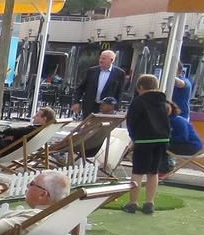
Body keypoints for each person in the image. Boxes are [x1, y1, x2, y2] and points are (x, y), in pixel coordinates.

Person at [124, 73, 171, 214]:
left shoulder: (139, 101)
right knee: (153, 172)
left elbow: (131, 121)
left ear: (140, 87)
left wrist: (134, 138)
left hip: (144, 140)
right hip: (162, 140)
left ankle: (132, 203)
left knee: (137, 171)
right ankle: (149, 202)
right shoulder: (164, 102)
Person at [73, 49, 127, 117]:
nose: (100, 60)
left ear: (111, 60)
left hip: (107, 109)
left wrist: (115, 108)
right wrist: (76, 102)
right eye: (100, 58)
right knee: (88, 127)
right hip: (89, 107)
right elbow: (80, 88)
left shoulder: (119, 73)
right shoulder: (91, 71)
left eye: (103, 58)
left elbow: (119, 92)